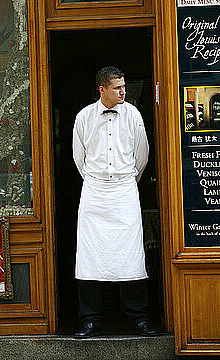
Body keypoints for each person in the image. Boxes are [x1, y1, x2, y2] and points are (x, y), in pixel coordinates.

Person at [72, 66, 157, 338]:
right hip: (95, 191)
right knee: (89, 256)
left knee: (131, 255)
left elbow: (142, 155)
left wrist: (127, 180)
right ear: (102, 89)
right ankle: (90, 320)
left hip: (124, 191)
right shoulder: (84, 116)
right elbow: (78, 157)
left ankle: (138, 318)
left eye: (124, 87)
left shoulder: (133, 114)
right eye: (117, 87)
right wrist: (96, 181)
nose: (123, 91)